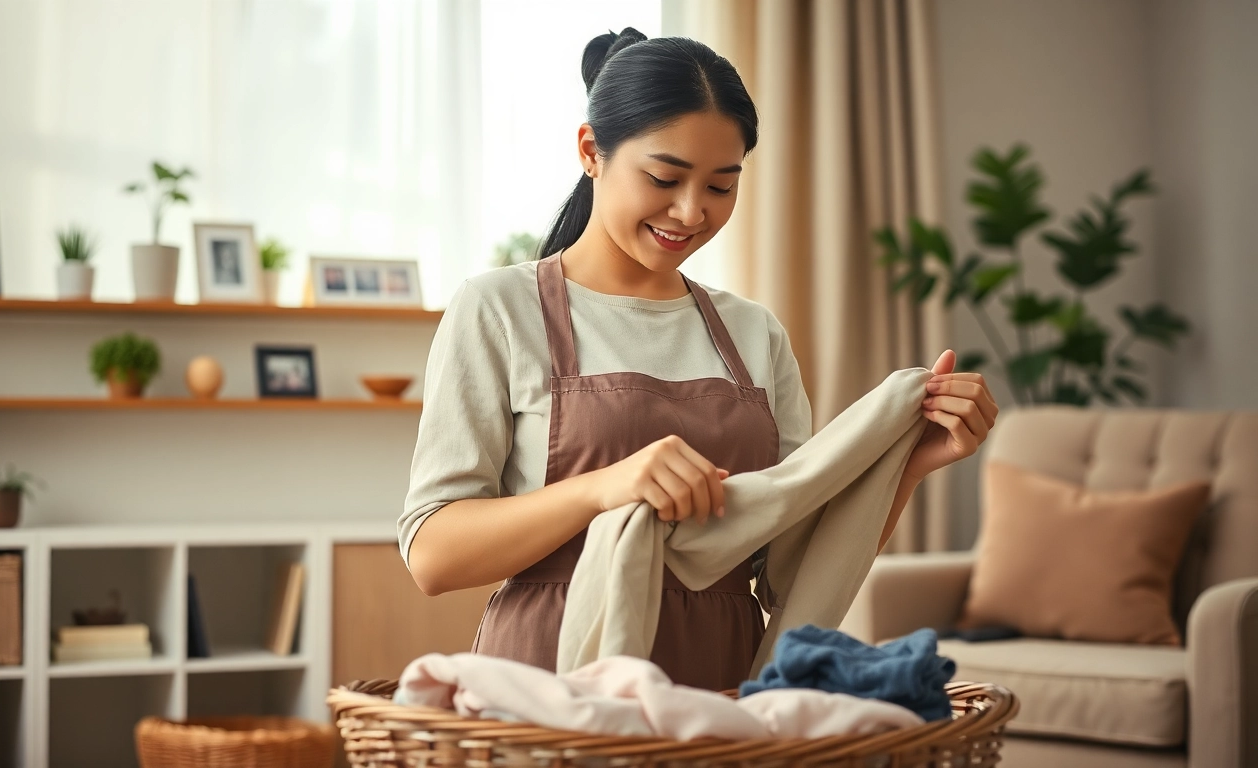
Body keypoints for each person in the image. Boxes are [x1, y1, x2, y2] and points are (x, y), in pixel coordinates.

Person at [399, 28, 997, 692]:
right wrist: (607, 486)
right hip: (551, 680)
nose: (691, 211)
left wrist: (907, 466)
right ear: (591, 152)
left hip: (722, 685)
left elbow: (788, 569)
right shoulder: (500, 308)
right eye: (665, 178)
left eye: (721, 185)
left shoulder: (753, 333)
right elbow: (432, 554)